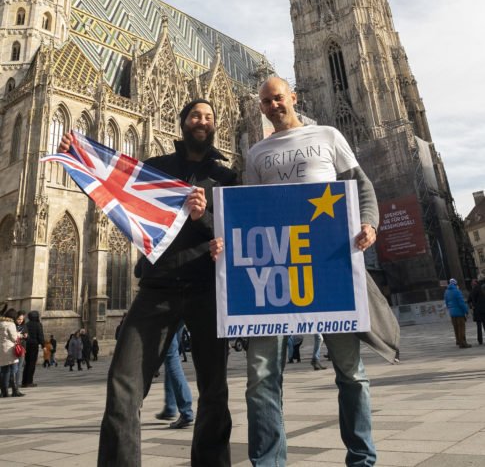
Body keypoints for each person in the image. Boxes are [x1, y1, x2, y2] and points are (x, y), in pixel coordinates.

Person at [212, 77, 387, 467]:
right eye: (267, 101)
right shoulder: (257, 152)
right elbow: (250, 211)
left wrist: (370, 224)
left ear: (293, 97)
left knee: (351, 372)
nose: (274, 105)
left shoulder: (327, 135)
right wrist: (224, 240)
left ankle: (362, 459)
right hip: (273, 269)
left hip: (328, 265)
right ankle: (269, 462)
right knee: (260, 378)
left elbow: (362, 187)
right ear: (260, 108)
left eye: (279, 98)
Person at [58, 99, 236, 467]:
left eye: (208, 116)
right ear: (182, 122)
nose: (201, 121)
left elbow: (237, 235)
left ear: (216, 125)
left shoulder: (227, 177)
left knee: (214, 391)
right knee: (123, 386)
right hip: (158, 286)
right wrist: (77, 157)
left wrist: (205, 219)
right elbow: (113, 187)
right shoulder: (155, 169)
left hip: (207, 288)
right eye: (194, 115)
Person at [154, 326, 194, 429]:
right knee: (171, 356)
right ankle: (170, 407)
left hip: (165, 314)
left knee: (171, 357)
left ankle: (186, 411)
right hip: (180, 313)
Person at [0, 306, 22, 397]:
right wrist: (19, 335)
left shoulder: (1, 323)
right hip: (9, 349)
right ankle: (14, 390)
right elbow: (14, 338)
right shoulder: (10, 324)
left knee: (4, 370)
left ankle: (4, 391)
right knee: (14, 369)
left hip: (1, 349)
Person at [444, 279, 471, 348]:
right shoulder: (457, 291)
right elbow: (461, 303)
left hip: (452, 313)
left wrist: (450, 309)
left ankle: (458, 341)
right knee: (461, 327)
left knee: (455, 327)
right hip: (459, 313)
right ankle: (463, 343)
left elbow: (446, 303)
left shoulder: (446, 292)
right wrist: (466, 311)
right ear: (456, 284)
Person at [22, 311, 44, 388]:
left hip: (26, 345)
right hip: (34, 346)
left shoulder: (26, 324)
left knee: (27, 364)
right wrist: (43, 345)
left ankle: (24, 381)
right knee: (32, 364)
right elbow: (40, 336)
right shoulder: (38, 324)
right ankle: (29, 382)